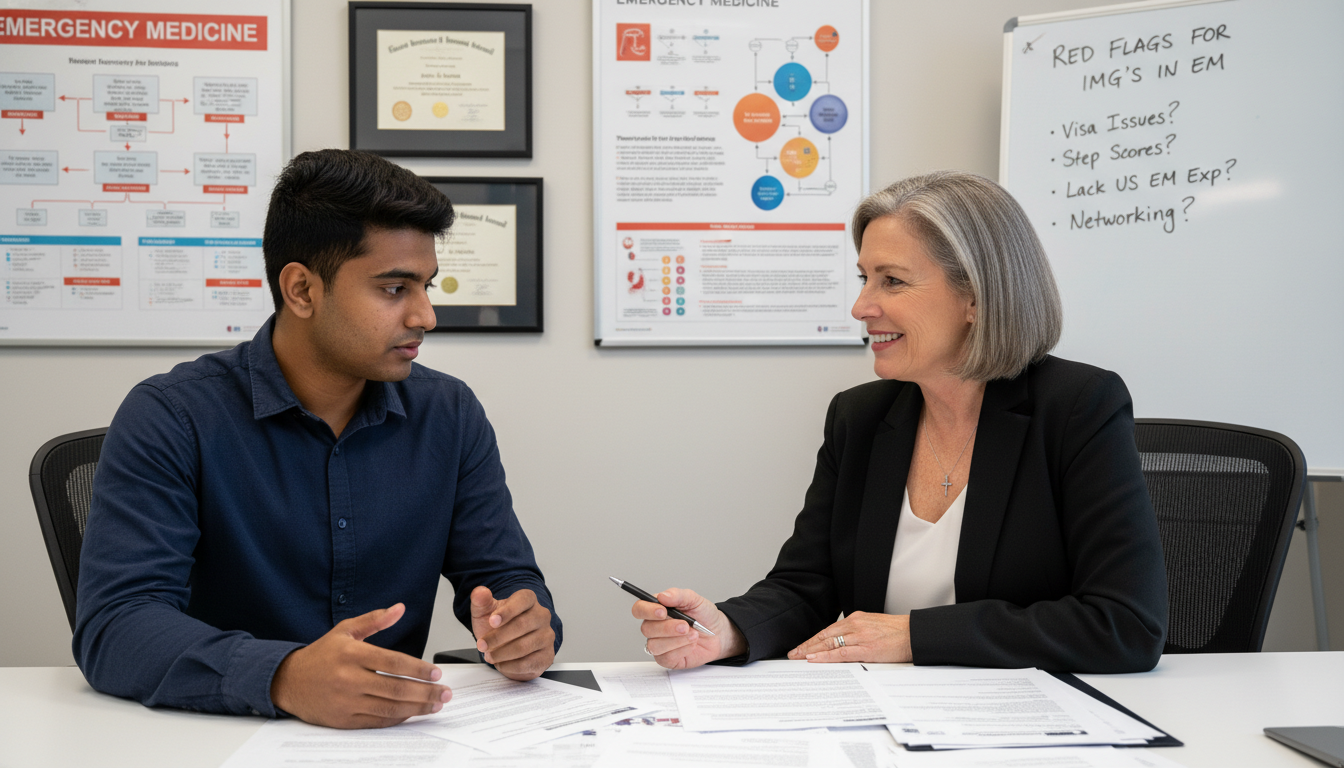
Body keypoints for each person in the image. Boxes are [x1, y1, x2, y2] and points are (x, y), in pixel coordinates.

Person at [74, 149, 561, 728]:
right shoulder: (172, 415)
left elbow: (504, 577)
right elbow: (117, 625)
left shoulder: (448, 413)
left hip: (394, 738)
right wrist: (283, 675)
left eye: (426, 285)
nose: (426, 316)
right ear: (302, 289)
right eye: (394, 288)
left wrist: (525, 627)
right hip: (213, 736)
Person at [631, 171, 1168, 673]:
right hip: (884, 719)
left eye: (892, 281)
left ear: (976, 298)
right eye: (865, 278)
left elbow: (1125, 624)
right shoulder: (860, 416)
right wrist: (726, 631)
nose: (862, 306)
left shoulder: (1078, 406)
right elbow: (807, 585)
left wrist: (913, 637)